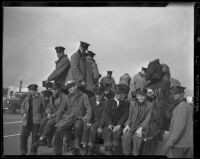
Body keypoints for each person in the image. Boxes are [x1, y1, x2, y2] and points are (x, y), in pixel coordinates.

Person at [53, 80, 92, 155]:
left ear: (75, 86)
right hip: (69, 118)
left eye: (71, 87)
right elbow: (61, 109)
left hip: (79, 118)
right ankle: (58, 152)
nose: (69, 89)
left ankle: (77, 147)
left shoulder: (83, 96)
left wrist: (87, 119)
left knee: (78, 127)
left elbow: (89, 109)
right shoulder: (67, 97)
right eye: (68, 88)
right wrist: (58, 120)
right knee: (58, 130)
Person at [159, 81, 193, 158]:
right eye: (172, 93)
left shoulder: (182, 107)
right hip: (186, 143)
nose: (173, 96)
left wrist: (168, 144)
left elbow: (178, 128)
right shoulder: (185, 105)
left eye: (176, 93)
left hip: (179, 145)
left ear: (182, 94)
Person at [122, 88, 153, 155]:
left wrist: (141, 128)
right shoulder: (132, 104)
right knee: (126, 136)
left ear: (146, 96)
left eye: (143, 96)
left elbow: (148, 119)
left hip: (142, 128)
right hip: (132, 126)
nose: (140, 98)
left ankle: (135, 154)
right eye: (139, 95)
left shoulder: (150, 105)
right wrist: (127, 125)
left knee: (137, 137)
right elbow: (129, 117)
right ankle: (127, 153)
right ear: (136, 96)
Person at [33, 83, 65, 148]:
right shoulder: (51, 97)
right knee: (43, 120)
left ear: (59, 89)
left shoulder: (63, 97)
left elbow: (63, 109)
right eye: (53, 89)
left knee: (49, 122)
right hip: (53, 115)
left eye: (56, 89)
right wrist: (48, 113)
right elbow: (49, 107)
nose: (54, 91)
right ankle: (43, 139)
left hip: (62, 116)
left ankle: (43, 138)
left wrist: (53, 115)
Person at [102, 84, 130, 155]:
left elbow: (125, 115)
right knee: (108, 132)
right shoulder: (109, 102)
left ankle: (116, 151)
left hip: (119, 125)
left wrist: (119, 125)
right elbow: (106, 114)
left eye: (120, 93)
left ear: (122, 94)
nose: (118, 95)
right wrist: (109, 124)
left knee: (116, 134)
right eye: (117, 93)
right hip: (109, 124)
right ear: (114, 93)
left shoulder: (126, 103)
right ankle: (108, 151)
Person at [80, 87, 107, 155]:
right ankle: (84, 146)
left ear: (103, 94)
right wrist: (88, 120)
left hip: (100, 120)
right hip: (92, 119)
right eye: (96, 94)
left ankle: (91, 147)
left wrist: (100, 126)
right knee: (86, 126)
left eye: (100, 94)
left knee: (93, 128)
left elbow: (104, 117)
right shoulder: (91, 100)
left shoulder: (106, 102)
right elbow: (88, 110)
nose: (98, 96)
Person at [20, 84, 44, 155]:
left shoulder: (41, 98)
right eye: (30, 90)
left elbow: (46, 107)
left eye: (33, 90)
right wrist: (23, 112)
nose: (32, 92)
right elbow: (22, 107)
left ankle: (33, 153)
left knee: (35, 139)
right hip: (26, 122)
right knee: (23, 136)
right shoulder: (27, 98)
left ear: (36, 91)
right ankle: (23, 151)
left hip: (36, 122)